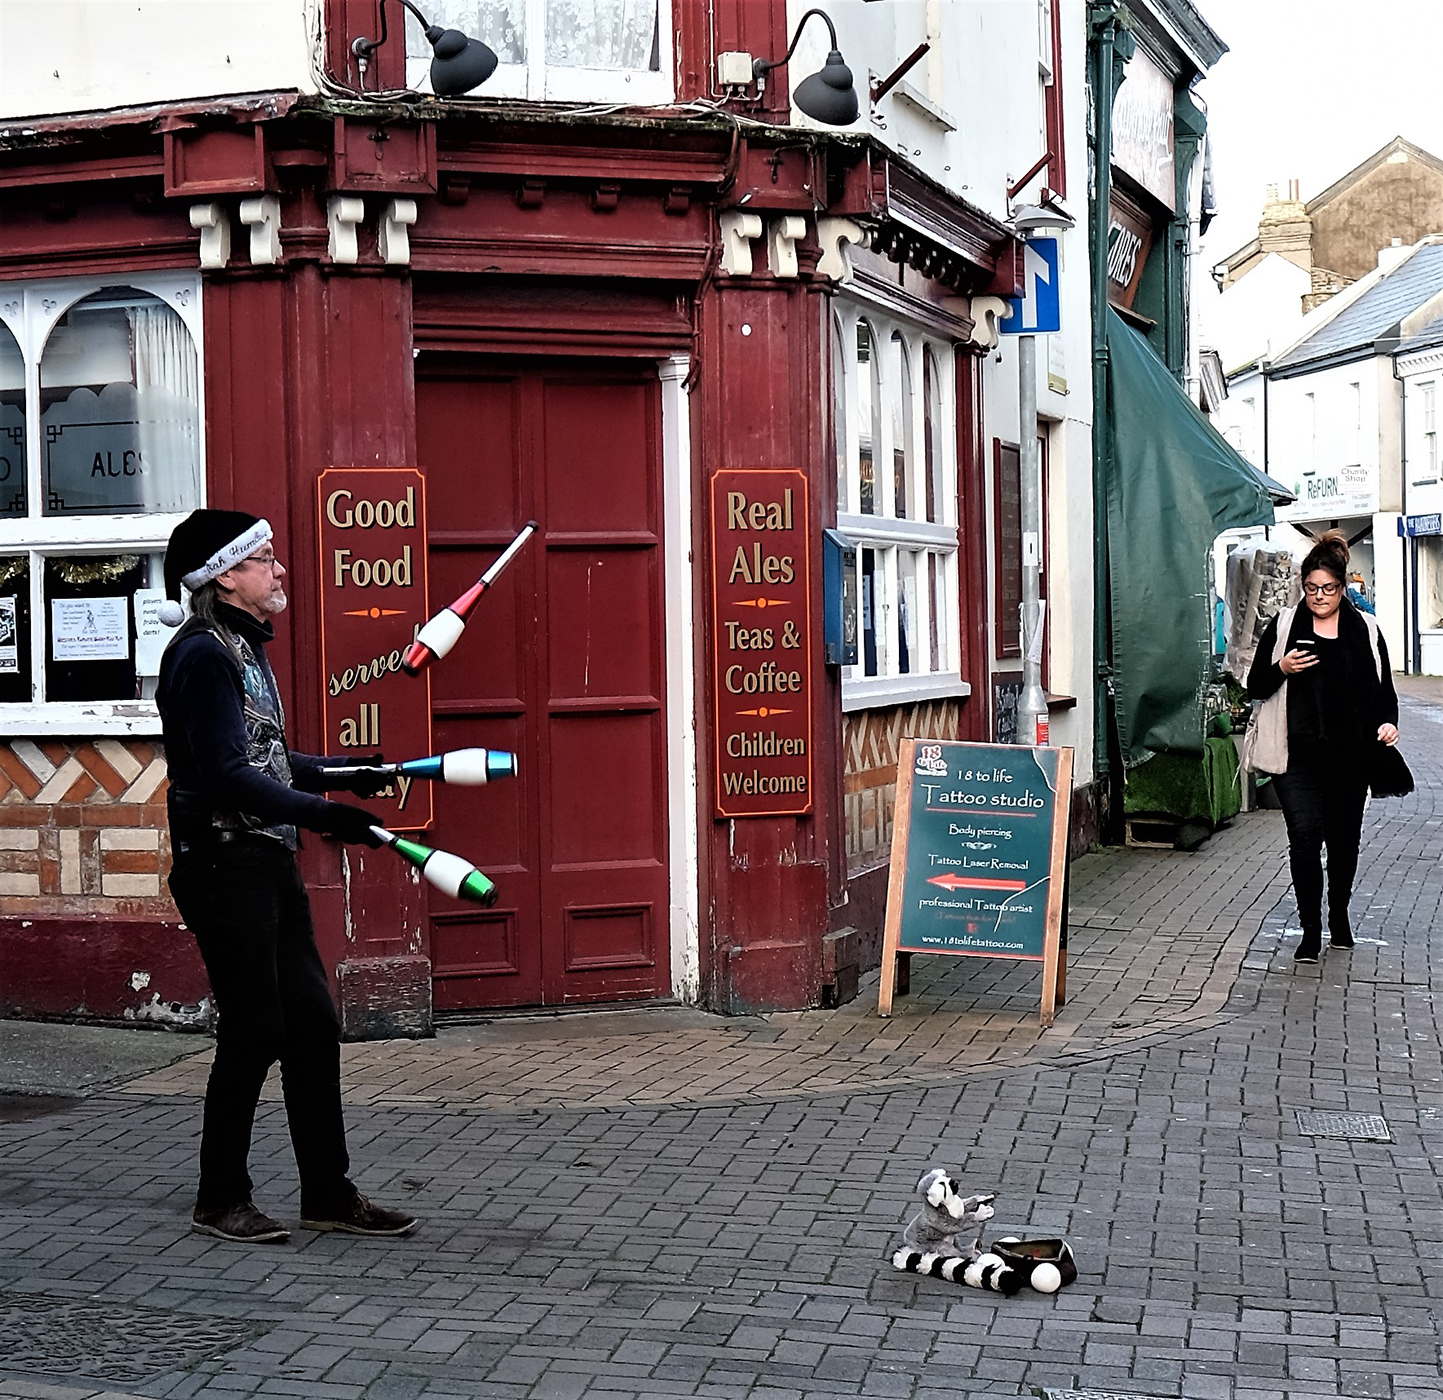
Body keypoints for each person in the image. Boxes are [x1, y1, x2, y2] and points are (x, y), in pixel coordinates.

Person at [156, 508, 417, 1244]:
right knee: (254, 1027)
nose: (280, 569)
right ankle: (219, 1196)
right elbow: (227, 775)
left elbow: (267, 756)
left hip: (264, 858)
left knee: (308, 1025)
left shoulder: (241, 645)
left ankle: (328, 1194)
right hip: (221, 861)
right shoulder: (202, 655)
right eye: (266, 558)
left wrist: (347, 775)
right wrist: (325, 816)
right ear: (226, 575)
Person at [1246, 530, 1399, 964]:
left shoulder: (1365, 630)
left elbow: (1385, 693)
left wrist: (1389, 725)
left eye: (1327, 588)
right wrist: (1282, 667)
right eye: (1311, 588)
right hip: (1297, 758)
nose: (1318, 596)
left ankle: (1340, 916)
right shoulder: (1283, 626)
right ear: (1303, 586)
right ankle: (1310, 929)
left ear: (1342, 587)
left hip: (1351, 758)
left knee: (1345, 842)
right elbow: (1254, 685)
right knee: (1304, 838)